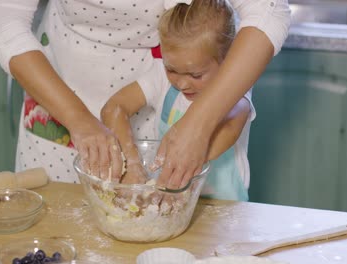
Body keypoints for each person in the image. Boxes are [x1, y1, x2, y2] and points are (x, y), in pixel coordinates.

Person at [0, 0, 290, 185]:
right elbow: (5, 24)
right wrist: (78, 119)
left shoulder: (171, 77)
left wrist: (198, 122)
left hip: (154, 86)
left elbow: (268, 10)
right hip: (59, 88)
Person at [101, 0, 252, 200]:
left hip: (224, 209)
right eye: (171, 69)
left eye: (195, 75)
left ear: (227, 61)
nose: (182, 83)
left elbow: (231, 126)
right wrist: (132, 164)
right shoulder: (160, 78)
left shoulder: (236, 89)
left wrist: (184, 159)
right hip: (168, 202)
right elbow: (113, 108)